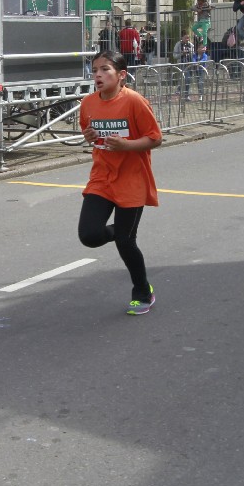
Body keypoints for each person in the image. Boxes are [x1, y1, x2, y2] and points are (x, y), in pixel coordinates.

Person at [79, 50, 162, 315]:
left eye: (105, 69)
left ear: (121, 75)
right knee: (89, 235)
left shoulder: (134, 101)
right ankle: (121, 231)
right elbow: (89, 134)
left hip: (132, 179)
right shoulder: (88, 103)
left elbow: (155, 138)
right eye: (95, 70)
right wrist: (90, 136)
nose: (98, 75)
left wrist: (126, 146)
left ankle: (143, 291)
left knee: (126, 243)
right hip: (102, 177)